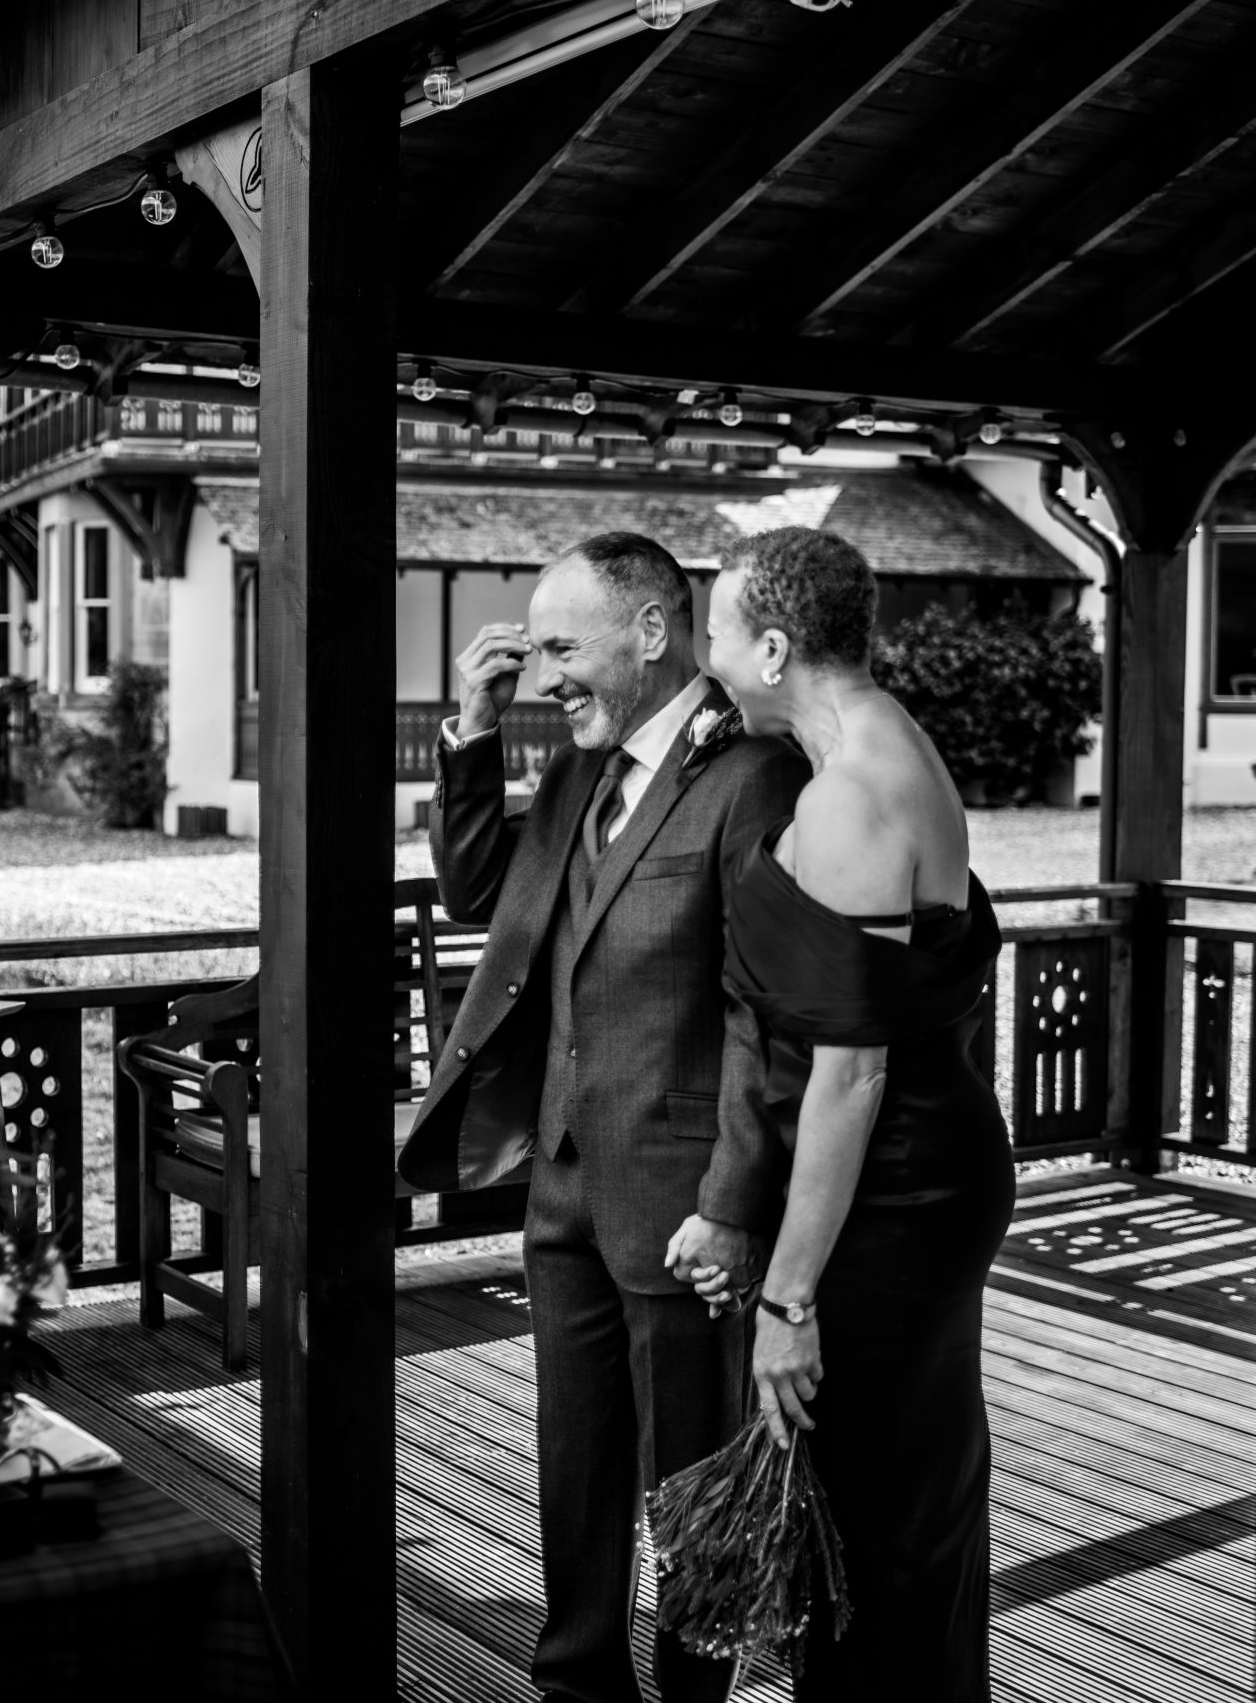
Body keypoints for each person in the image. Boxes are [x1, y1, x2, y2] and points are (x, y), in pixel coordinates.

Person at [397, 532, 805, 1703]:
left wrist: (732, 1203)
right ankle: (576, 1683)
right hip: (564, 1174)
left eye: (562, 648)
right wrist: (472, 727)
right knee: (572, 1460)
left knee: (695, 1476)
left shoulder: (754, 773)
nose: (545, 674)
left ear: (651, 631)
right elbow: (479, 889)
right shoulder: (582, 769)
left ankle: (693, 1695)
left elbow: (764, 1014)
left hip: (683, 1198)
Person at [700, 526, 1013, 1699]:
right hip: (928, 1167)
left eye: (717, 633)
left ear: (775, 648)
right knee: (912, 1496)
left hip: (892, 1188)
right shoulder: (892, 744)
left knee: (873, 1514)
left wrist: (786, 1298)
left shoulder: (844, 796)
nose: (708, 657)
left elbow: (851, 1074)